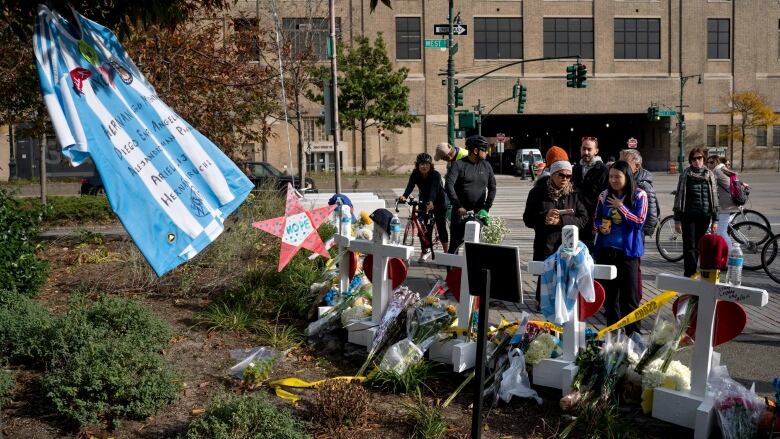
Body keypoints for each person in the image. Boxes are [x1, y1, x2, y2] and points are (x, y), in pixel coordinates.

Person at [523, 151, 589, 306]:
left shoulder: (574, 194)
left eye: (568, 176)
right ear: (552, 174)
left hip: (567, 247)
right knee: (545, 277)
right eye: (561, 175)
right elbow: (527, 218)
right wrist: (544, 218)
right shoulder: (538, 192)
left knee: (565, 280)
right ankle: (542, 305)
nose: (565, 179)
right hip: (545, 244)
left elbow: (584, 219)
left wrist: (562, 220)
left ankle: (564, 306)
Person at [593, 160, 648, 335]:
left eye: (618, 176)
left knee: (630, 299)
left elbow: (639, 222)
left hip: (628, 254)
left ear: (627, 176)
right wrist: (600, 226)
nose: (614, 180)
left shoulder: (639, 195)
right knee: (610, 300)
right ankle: (613, 338)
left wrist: (621, 207)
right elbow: (596, 218)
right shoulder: (603, 195)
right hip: (607, 252)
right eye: (611, 176)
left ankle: (634, 338)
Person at [444, 135, 497, 254]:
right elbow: (449, 185)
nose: (487, 152)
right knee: (455, 246)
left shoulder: (486, 166)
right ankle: (452, 270)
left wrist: (486, 208)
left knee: (474, 246)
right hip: (460, 212)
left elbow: (492, 188)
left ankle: (470, 271)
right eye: (484, 149)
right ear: (475, 150)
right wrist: (458, 206)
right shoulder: (459, 165)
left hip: (478, 212)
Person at [673, 148, 719, 278]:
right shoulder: (685, 175)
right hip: (688, 216)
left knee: (698, 246)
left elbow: (716, 199)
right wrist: (677, 220)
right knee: (689, 246)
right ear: (690, 161)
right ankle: (689, 274)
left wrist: (715, 220)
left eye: (699, 158)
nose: (697, 161)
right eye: (694, 158)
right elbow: (678, 198)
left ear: (703, 159)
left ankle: (694, 272)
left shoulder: (710, 175)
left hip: (704, 216)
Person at [398, 152, 449, 256]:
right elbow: (410, 186)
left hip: (438, 200)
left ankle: (446, 253)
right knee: (423, 228)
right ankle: (424, 250)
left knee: (441, 226)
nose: (424, 166)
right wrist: (404, 196)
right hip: (424, 199)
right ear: (418, 165)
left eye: (427, 164)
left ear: (431, 165)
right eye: (422, 164)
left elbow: (434, 189)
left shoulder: (435, 175)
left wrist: (431, 201)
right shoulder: (415, 174)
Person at [572, 136, 609, 249]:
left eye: (589, 149)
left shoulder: (602, 170)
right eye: (584, 149)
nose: (586, 152)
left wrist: (602, 223)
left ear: (596, 151)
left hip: (593, 222)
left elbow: (606, 198)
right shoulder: (575, 169)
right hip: (576, 219)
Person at [619, 149, 659, 236]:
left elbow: (651, 211)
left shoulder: (643, 186)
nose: (620, 166)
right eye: (619, 162)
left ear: (636, 166)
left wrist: (645, 231)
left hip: (636, 231)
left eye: (625, 163)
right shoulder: (621, 180)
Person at [707, 155, 737, 250]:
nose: (709, 164)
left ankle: (730, 253)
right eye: (708, 162)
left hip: (726, 205)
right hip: (731, 202)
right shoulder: (723, 169)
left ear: (716, 162)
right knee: (719, 228)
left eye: (711, 162)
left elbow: (707, 184)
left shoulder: (716, 171)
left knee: (721, 231)